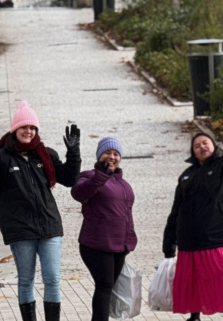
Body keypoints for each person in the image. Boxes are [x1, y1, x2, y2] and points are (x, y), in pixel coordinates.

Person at [0, 101, 81, 321]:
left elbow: (69, 179)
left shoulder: (45, 155)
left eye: (32, 128)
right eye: (24, 127)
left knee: (52, 279)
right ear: (15, 130)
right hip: (20, 229)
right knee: (26, 280)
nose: (28, 132)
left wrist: (73, 152)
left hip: (49, 226)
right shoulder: (1, 157)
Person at [163, 95, 223, 321]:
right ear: (193, 152)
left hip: (217, 238)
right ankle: (194, 317)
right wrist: (169, 242)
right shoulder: (186, 175)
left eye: (205, 143)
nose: (201, 146)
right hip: (189, 242)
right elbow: (176, 211)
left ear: (214, 146)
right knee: (193, 283)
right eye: (197, 145)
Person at [71, 137, 137, 321]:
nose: (112, 157)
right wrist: (99, 177)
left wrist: (130, 239)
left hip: (119, 246)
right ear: (100, 155)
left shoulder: (122, 183)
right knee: (104, 286)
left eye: (116, 154)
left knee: (107, 287)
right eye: (107, 152)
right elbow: (79, 193)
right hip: (96, 245)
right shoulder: (89, 176)